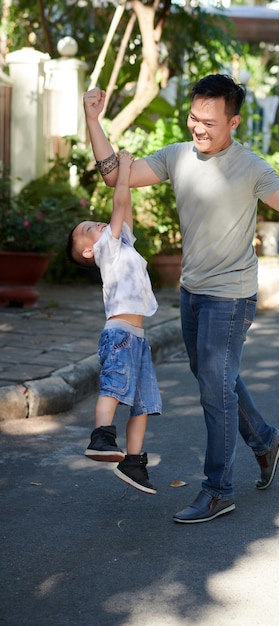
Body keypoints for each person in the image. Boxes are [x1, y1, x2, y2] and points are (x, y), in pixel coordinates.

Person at [83, 74, 279, 523]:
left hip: (231, 296)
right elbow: (118, 174)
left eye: (210, 122)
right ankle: (266, 439)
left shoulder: (250, 168)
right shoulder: (178, 156)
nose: (198, 128)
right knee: (211, 375)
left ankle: (218, 489)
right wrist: (93, 120)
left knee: (214, 389)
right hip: (193, 290)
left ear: (233, 122)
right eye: (194, 117)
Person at [67, 149, 162, 495]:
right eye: (90, 228)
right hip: (120, 335)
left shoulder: (123, 246)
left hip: (138, 338)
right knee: (114, 387)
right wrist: (123, 170)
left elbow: (127, 209)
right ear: (90, 251)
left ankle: (134, 462)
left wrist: (129, 179)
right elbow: (119, 205)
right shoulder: (107, 250)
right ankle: (102, 436)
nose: (99, 224)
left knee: (144, 403)